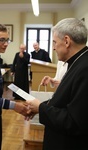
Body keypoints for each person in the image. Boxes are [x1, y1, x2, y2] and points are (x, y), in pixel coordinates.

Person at [26, 18, 88, 150]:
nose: (53, 47)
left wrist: (41, 108)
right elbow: (70, 98)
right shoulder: (78, 62)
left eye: (54, 42)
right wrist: (45, 104)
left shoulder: (85, 68)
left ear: (66, 41)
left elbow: (75, 122)